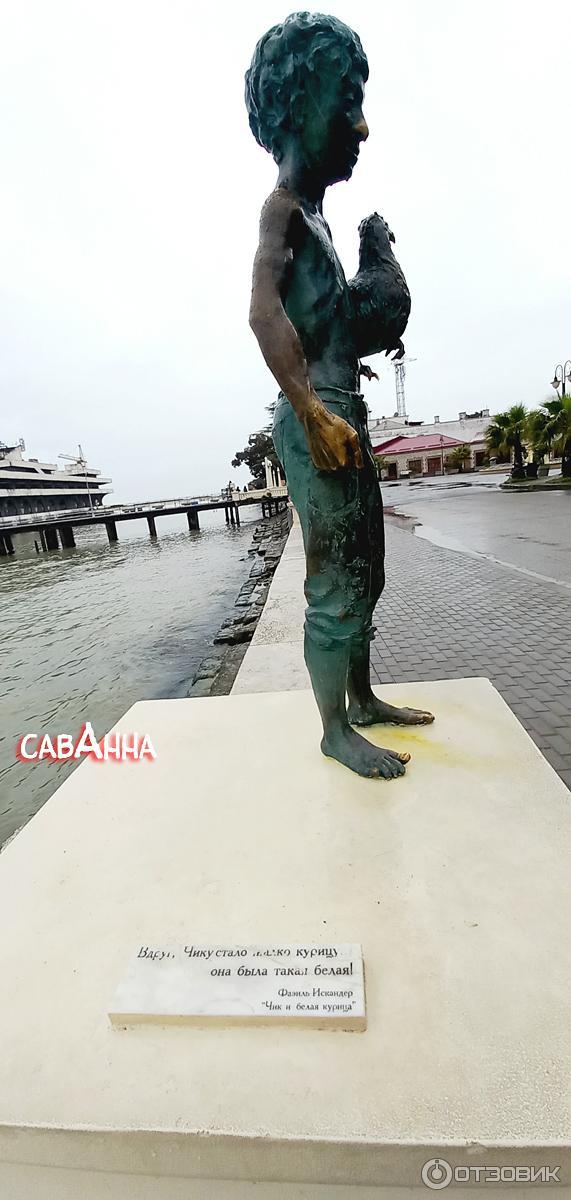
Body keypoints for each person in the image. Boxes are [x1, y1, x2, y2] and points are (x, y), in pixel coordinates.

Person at [246, 13, 433, 780]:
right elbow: (263, 314)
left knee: (369, 573)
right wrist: (311, 411)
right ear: (297, 104)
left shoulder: (321, 219)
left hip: (343, 414)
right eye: (346, 100)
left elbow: (337, 318)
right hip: (315, 416)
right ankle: (333, 729)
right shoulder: (282, 210)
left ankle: (360, 697)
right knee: (333, 580)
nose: (361, 125)